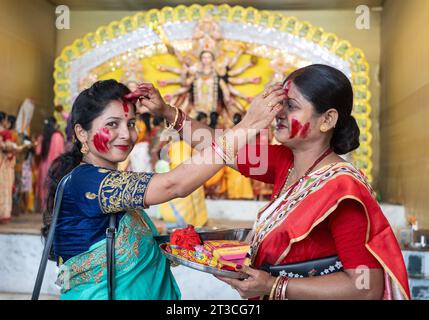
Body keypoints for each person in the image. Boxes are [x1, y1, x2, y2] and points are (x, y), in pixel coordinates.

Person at [142, 64, 410, 300]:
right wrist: (166, 111)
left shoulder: (343, 191)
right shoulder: (287, 160)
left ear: (327, 119)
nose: (278, 113)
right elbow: (220, 146)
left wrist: (273, 285)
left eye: (291, 106)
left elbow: (366, 288)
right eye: (280, 104)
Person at [43, 79, 283, 300]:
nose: (126, 134)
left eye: (131, 123)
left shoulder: (107, 178)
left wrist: (202, 244)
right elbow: (173, 184)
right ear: (81, 132)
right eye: (112, 124)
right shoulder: (86, 182)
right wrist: (249, 125)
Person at [36, 116, 65, 212]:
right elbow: (62, 152)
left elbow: (38, 152)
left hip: (44, 165)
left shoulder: (43, 136)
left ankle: (44, 208)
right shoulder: (58, 136)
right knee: (53, 186)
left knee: (44, 186)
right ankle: (53, 208)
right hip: (55, 165)